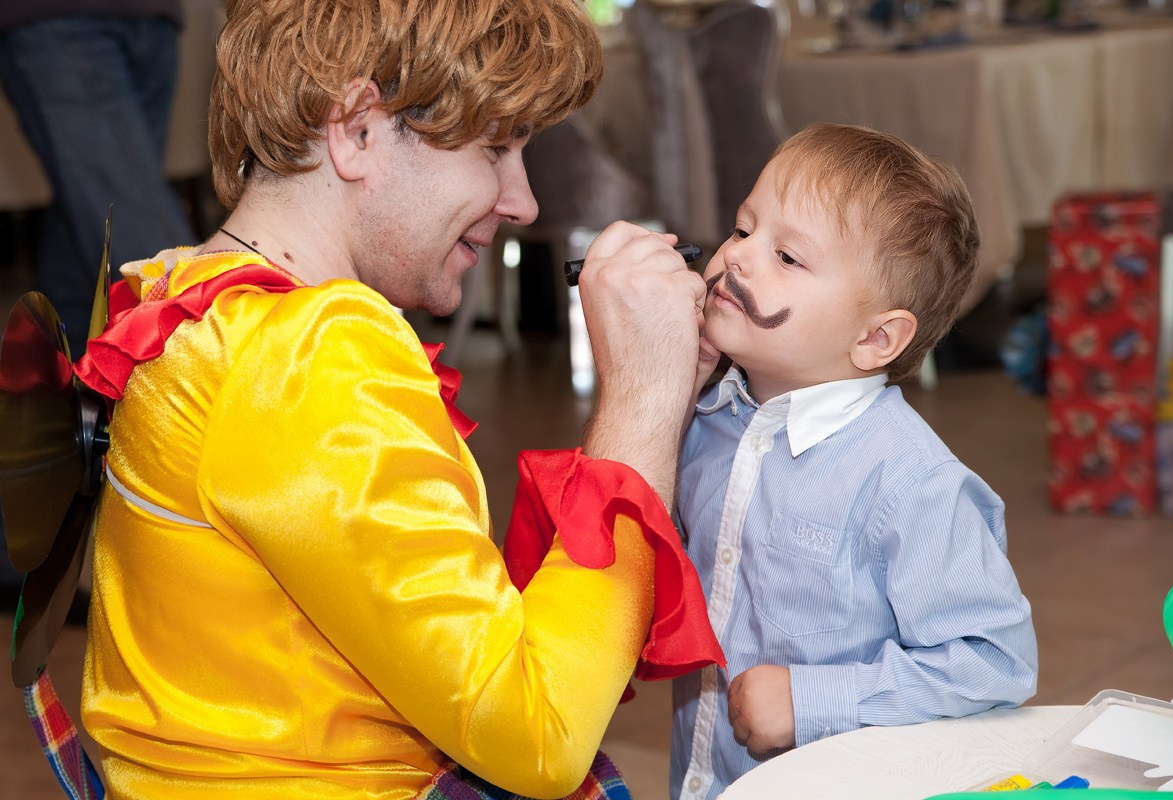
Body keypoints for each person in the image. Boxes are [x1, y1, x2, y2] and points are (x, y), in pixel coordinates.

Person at [62, 0, 717, 797]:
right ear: (359, 129)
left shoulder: (188, 296)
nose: (524, 201)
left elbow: (440, 620)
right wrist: (644, 399)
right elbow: (538, 731)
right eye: (496, 149)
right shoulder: (306, 361)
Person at [670, 123, 1038, 800]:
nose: (739, 258)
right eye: (743, 227)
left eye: (788, 256)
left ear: (875, 338)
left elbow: (995, 663)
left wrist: (812, 701)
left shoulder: (909, 483)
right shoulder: (707, 419)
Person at [0, 0, 195, 360]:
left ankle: (54, 391)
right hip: (54, 18)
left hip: (155, 18)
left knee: (84, 231)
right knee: (157, 266)